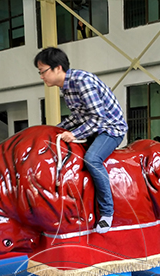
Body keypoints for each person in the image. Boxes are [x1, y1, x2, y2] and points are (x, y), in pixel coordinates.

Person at [34, 47, 128, 234]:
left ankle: (107, 213)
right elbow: (78, 118)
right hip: (94, 128)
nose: (41, 77)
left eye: (43, 71)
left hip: (110, 129)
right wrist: (54, 130)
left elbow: (98, 118)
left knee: (92, 159)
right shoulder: (67, 88)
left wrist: (75, 134)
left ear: (57, 68)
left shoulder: (82, 81)